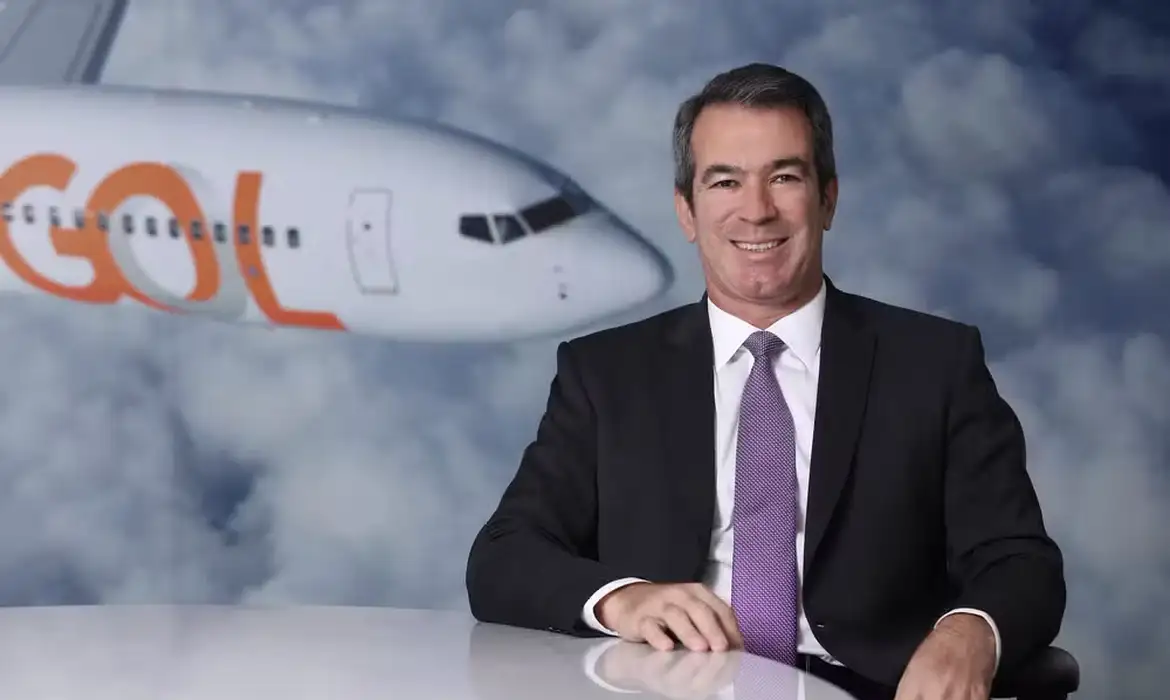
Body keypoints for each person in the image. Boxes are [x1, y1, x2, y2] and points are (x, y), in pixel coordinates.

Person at [465, 62, 1066, 700]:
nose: (756, 211)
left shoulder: (934, 364)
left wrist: (968, 634)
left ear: (828, 198)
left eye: (784, 177)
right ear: (687, 211)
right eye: (725, 181)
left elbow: (1020, 560)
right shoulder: (605, 374)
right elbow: (503, 554)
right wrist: (624, 599)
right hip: (663, 685)